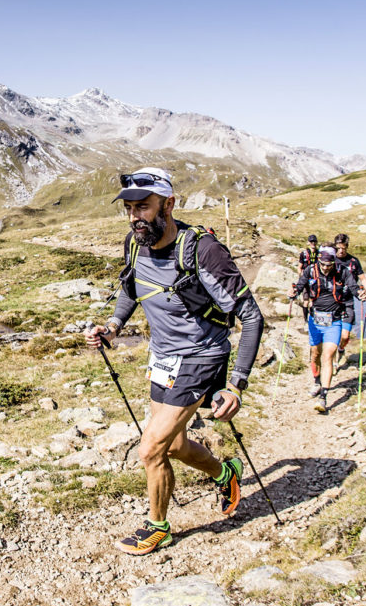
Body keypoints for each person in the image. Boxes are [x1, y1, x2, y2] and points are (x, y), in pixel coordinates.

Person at [84, 167, 264, 556]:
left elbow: (252, 317)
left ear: (168, 203)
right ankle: (224, 472)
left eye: (143, 208)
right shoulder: (135, 243)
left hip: (202, 356)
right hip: (163, 358)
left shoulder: (203, 250)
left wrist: (236, 384)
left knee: (150, 448)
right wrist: (113, 326)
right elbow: (132, 287)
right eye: (129, 209)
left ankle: (158, 527)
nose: (135, 217)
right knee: (176, 444)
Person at [288, 246, 366, 413]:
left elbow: (354, 287)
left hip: (334, 320)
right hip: (315, 319)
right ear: (319, 260)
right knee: (315, 354)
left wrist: (362, 294)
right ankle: (316, 381)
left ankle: (323, 397)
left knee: (328, 355)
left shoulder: (343, 271)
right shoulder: (310, 271)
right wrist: (293, 292)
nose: (326, 267)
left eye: (329, 264)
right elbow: (300, 286)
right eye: (323, 264)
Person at [332, 233, 366, 359]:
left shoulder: (353, 261)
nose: (341, 251)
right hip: (332, 302)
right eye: (338, 248)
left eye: (343, 248)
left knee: (345, 336)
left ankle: (341, 349)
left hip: (348, 301)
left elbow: (363, 278)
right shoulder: (330, 260)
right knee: (333, 335)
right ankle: (331, 359)